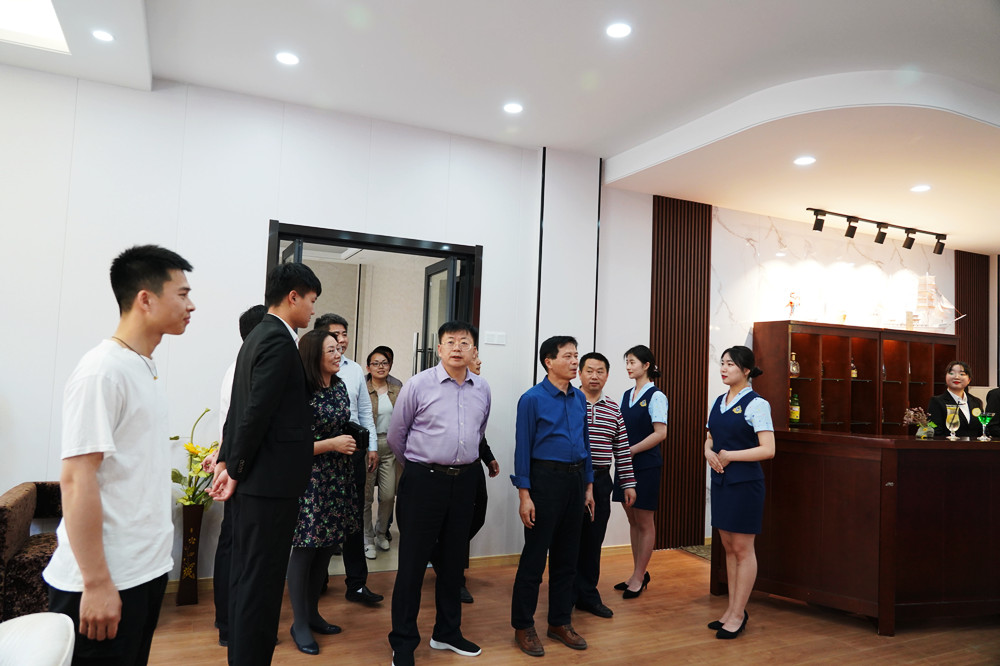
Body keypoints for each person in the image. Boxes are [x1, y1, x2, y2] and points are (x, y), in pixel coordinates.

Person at [44, 245, 195, 665]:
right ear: (146, 299)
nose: (191, 305)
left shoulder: (142, 366)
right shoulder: (102, 371)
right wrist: (95, 583)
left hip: (143, 570)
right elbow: (76, 480)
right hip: (104, 580)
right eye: (182, 294)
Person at [209, 261, 322, 666]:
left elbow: (237, 411)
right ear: (293, 297)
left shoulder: (257, 336)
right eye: (310, 301)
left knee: (249, 579)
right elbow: (254, 412)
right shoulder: (277, 339)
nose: (312, 310)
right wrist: (235, 468)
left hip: (259, 482)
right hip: (269, 485)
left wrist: (227, 461)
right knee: (261, 584)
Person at [387, 321, 491, 666]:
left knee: (452, 562)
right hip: (423, 481)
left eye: (464, 342)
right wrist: (421, 469)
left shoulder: (482, 388)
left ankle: (447, 632)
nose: (457, 348)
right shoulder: (418, 385)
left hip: (464, 481)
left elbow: (479, 432)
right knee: (413, 564)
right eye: (451, 342)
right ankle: (403, 642)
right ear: (440, 348)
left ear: (473, 349)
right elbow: (396, 436)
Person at [510, 336, 595, 657]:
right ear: (549, 361)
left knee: (567, 558)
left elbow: (586, 444)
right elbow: (522, 449)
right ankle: (523, 625)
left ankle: (560, 622)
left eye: (576, 356)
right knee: (534, 559)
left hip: (576, 480)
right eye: (568, 356)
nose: (575, 362)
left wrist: (588, 487)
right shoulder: (531, 399)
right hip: (545, 481)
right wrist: (525, 495)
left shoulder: (579, 397)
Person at [286, 330, 361, 655]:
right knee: (306, 548)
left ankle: (313, 612)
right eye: (331, 350)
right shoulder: (300, 390)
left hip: (338, 475)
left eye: (338, 349)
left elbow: (342, 424)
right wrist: (332, 444)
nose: (338, 354)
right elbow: (291, 445)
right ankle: (299, 622)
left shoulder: (340, 385)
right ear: (314, 355)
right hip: (311, 477)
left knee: (327, 547)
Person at [202, 304, 267, 648]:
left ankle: (227, 620)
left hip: (236, 465)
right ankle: (230, 623)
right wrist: (229, 464)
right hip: (243, 470)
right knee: (237, 547)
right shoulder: (248, 368)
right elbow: (240, 424)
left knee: (234, 544)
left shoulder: (240, 365)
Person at [704, 345, 775, 639]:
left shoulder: (757, 404)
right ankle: (732, 610)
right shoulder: (719, 401)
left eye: (730, 364)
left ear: (746, 370)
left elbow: (768, 449)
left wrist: (731, 455)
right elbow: (710, 436)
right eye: (722, 363)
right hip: (722, 482)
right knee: (729, 548)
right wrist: (707, 451)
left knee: (743, 550)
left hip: (745, 485)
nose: (723, 368)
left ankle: (738, 614)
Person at [313, 314, 383, 602]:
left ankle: (357, 584)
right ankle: (317, 580)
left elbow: (364, 410)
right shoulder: (308, 371)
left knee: (354, 517)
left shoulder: (353, 370)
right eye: (335, 335)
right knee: (321, 518)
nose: (342, 340)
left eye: (344, 333)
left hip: (353, 450)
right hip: (322, 454)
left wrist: (372, 446)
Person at [430, 345, 501, 604]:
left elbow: (475, 433)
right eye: (476, 356)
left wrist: (489, 457)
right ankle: (453, 578)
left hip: (472, 466)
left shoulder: (480, 389)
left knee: (477, 516)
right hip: (442, 471)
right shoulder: (439, 389)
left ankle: (441, 557)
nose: (479, 361)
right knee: (451, 525)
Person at [573, 352, 635, 618]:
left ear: (607, 376)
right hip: (572, 479)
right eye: (589, 370)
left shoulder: (613, 409)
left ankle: (587, 594)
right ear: (579, 373)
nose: (594, 376)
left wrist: (628, 483)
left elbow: (621, 450)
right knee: (569, 539)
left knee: (593, 538)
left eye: (600, 371)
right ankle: (566, 594)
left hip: (601, 480)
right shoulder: (569, 402)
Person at [613, 344, 667, 599]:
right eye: (626, 362)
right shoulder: (627, 395)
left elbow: (660, 433)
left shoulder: (656, 396)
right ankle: (637, 572)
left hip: (645, 464)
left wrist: (632, 449)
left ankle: (639, 575)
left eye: (632, 362)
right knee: (632, 519)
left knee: (644, 521)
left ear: (646, 366)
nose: (628, 366)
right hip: (626, 464)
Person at [364, 345, 400, 554]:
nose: (380, 367)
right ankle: (367, 538)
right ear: (368, 367)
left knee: (387, 496)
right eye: (375, 363)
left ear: (390, 366)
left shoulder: (397, 390)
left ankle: (380, 533)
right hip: (367, 447)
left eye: (384, 363)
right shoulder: (363, 388)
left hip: (390, 447)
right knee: (366, 497)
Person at [928, 360, 983, 438]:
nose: (956, 377)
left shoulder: (976, 402)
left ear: (969, 380)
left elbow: (981, 431)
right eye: (951, 373)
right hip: (949, 445)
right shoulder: (937, 402)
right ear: (946, 377)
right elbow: (936, 433)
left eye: (962, 374)